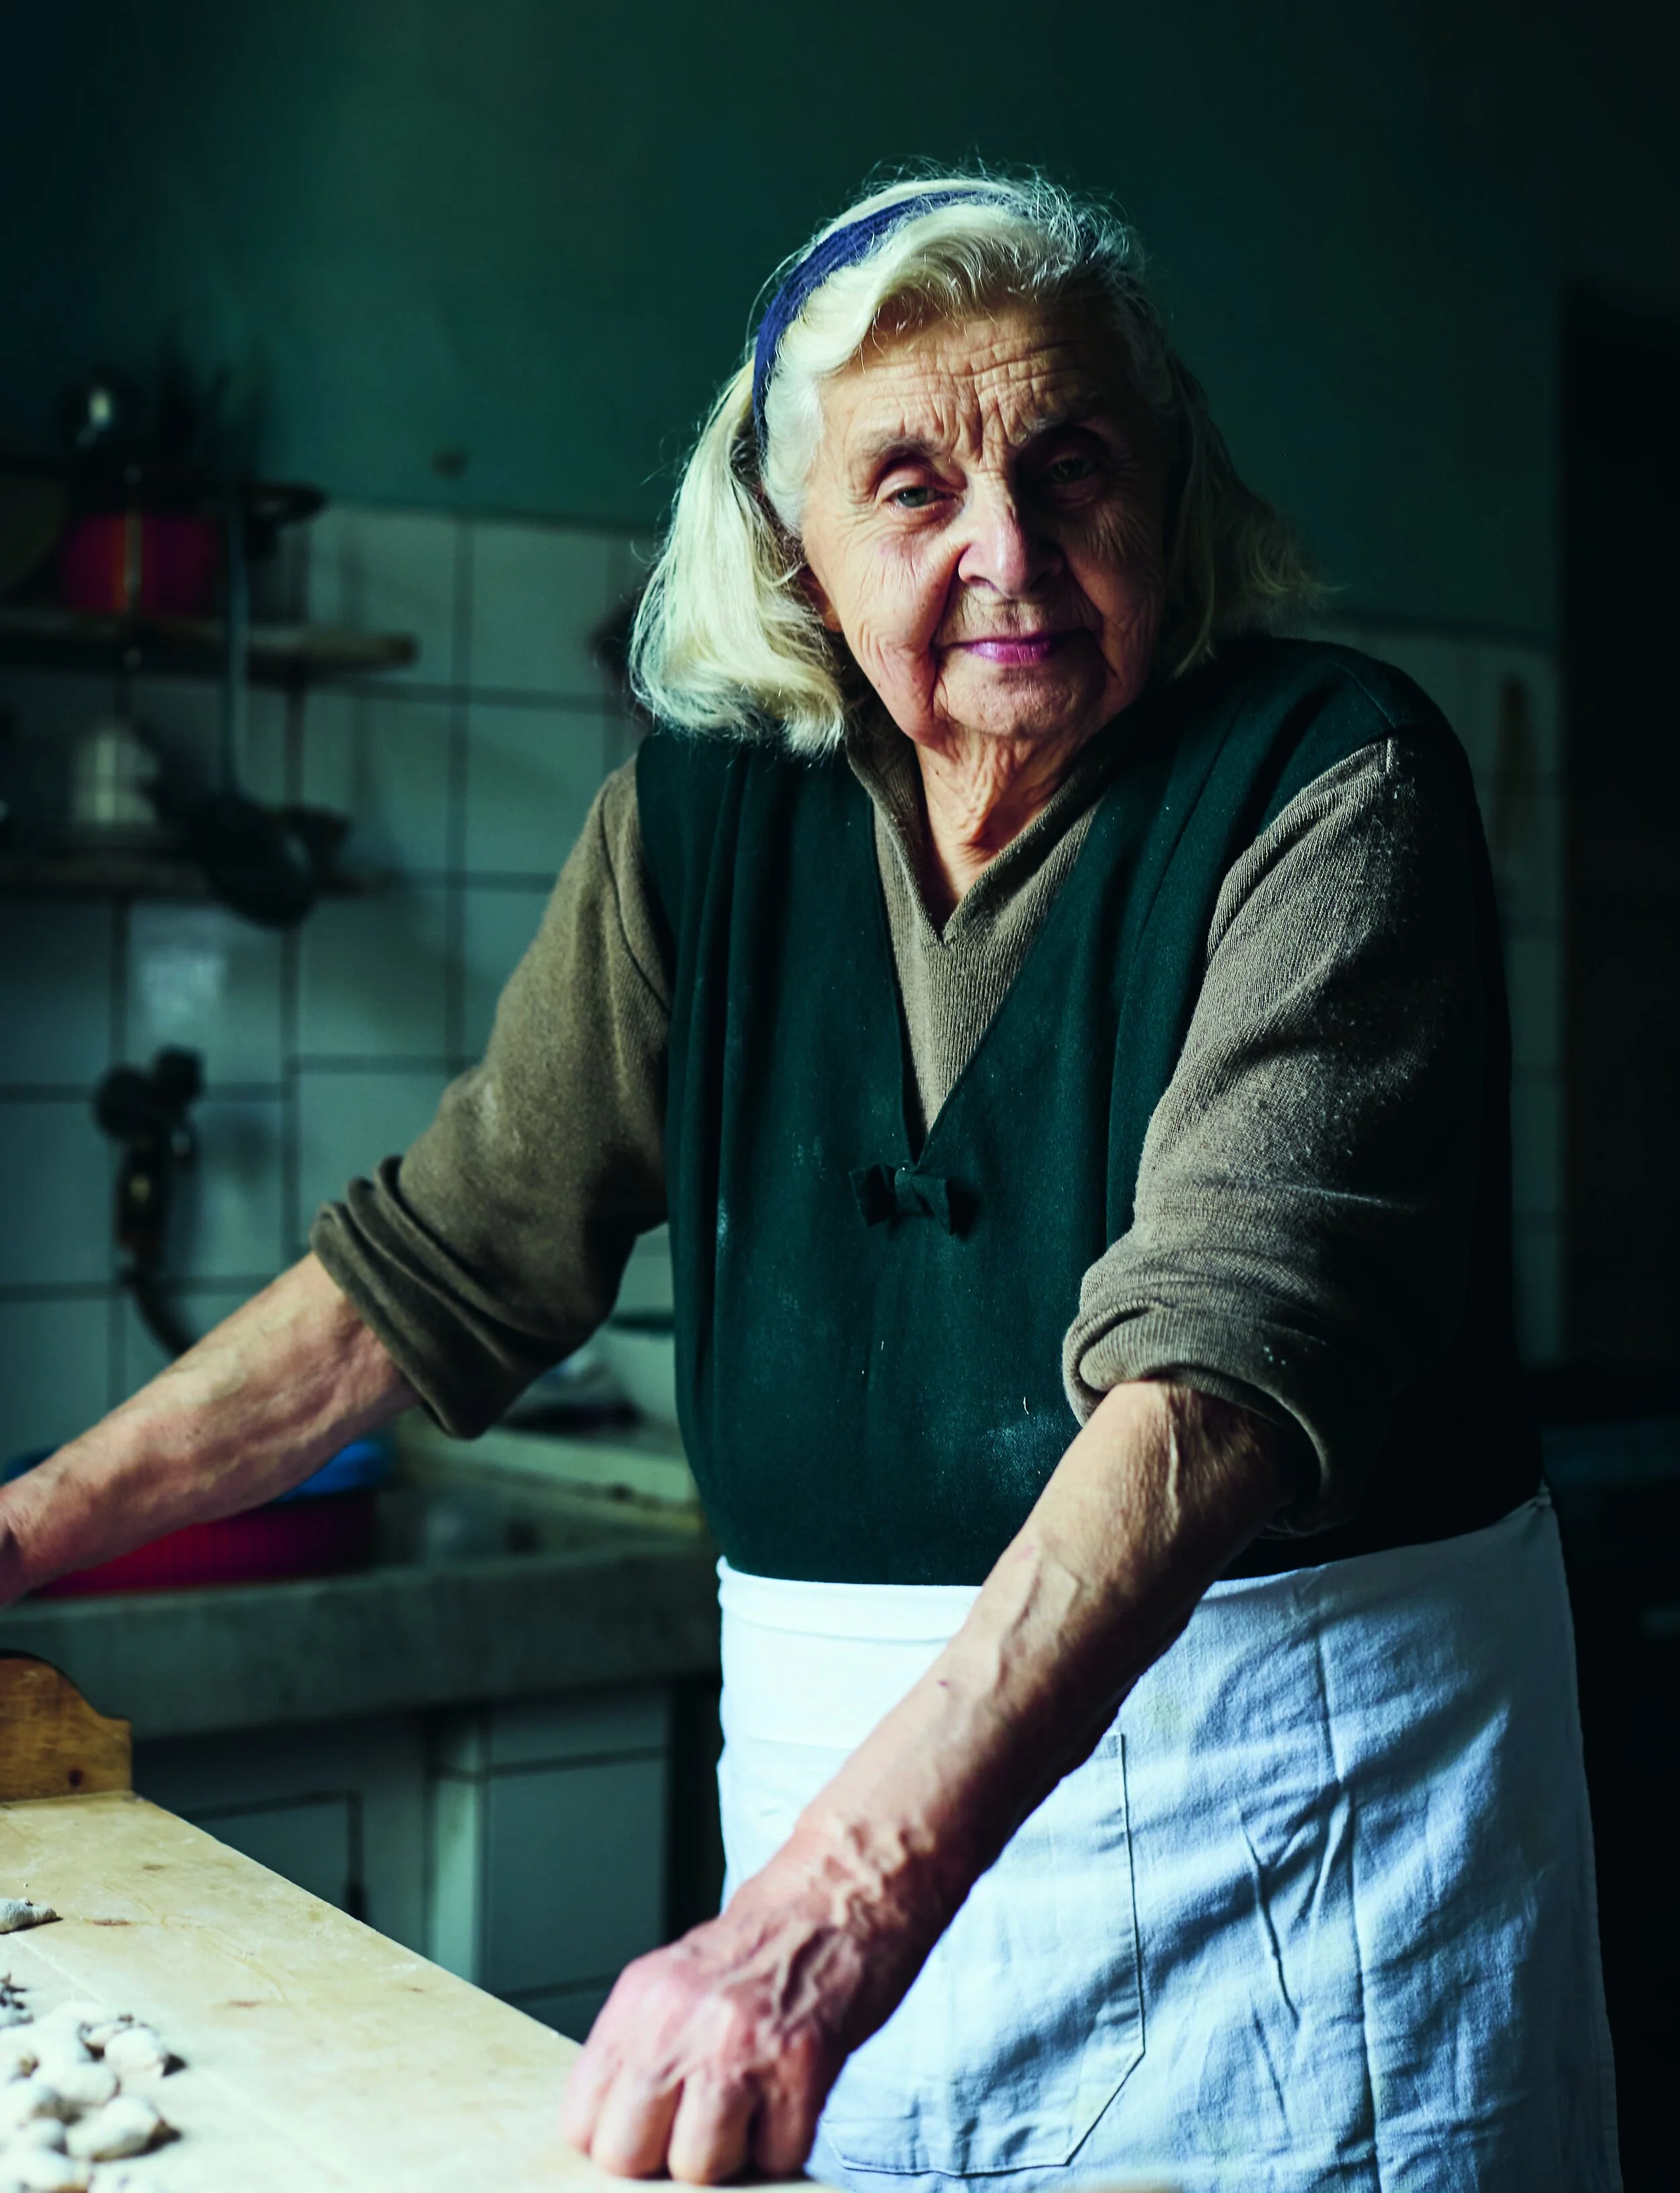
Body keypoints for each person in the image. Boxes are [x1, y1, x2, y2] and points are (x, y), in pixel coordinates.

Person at [0, 173, 1618, 2192]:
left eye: (1070, 462)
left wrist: (819, 1920)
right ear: (793, 547)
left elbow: (1213, 1386)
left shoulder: (1329, 781)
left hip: (1292, 1900)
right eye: (911, 486)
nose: (1007, 550)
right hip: (844, 1915)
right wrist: (23, 1533)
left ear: (1169, 481)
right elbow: (436, 1266)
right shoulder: (704, 822)